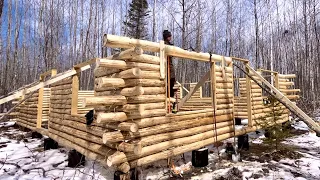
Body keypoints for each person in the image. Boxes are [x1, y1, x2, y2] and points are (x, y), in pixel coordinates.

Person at [163, 30, 176, 98]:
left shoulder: (168, 44)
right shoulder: (165, 44)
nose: (171, 37)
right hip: (167, 66)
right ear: (167, 37)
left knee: (172, 82)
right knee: (170, 82)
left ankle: (171, 97)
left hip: (169, 65)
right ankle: (169, 97)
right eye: (169, 36)